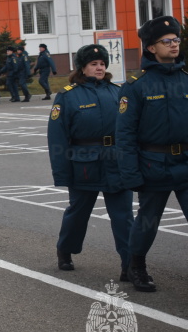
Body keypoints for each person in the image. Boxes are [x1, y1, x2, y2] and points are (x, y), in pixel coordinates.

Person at [47, 44, 132, 281]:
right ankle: (65, 249)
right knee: (78, 213)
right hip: (84, 163)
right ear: (82, 68)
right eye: (94, 64)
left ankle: (131, 264)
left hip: (115, 161)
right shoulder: (68, 95)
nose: (99, 68)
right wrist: (61, 173)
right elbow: (58, 136)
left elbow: (130, 129)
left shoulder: (118, 92)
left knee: (124, 215)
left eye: (102, 64)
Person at [117, 15, 188, 292]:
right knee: (147, 222)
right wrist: (130, 174)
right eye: (166, 41)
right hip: (153, 165)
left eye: (176, 40)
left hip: (184, 164)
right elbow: (125, 135)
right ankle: (136, 266)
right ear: (150, 48)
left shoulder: (185, 81)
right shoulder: (136, 87)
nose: (174, 45)